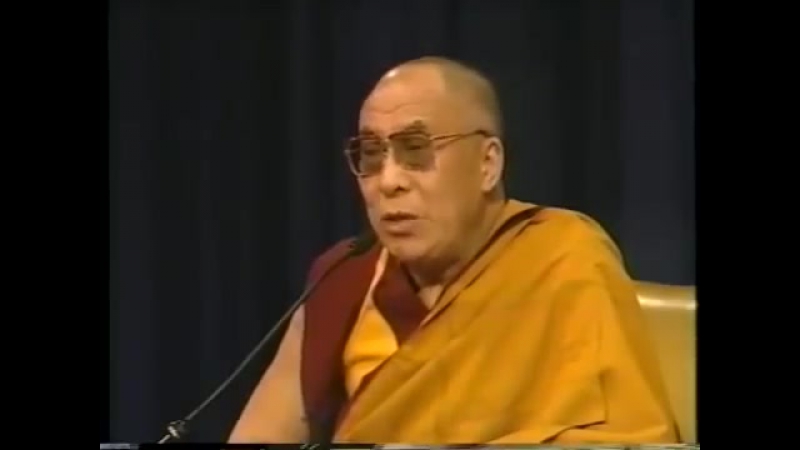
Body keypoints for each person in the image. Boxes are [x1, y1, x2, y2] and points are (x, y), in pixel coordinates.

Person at [228, 56, 680, 444]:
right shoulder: (346, 276)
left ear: (488, 164)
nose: (389, 181)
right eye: (371, 154)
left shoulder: (561, 257)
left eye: (416, 149)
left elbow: (624, 439)